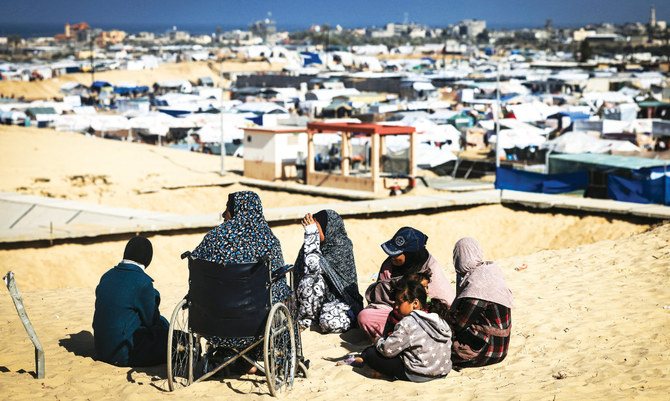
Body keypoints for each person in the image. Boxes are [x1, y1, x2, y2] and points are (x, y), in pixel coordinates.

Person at [191, 191, 290, 371]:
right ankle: (270, 359)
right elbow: (278, 285)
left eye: (227, 209)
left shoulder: (213, 238)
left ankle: (230, 354)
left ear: (237, 211)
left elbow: (196, 270)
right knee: (285, 297)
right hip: (255, 327)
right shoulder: (268, 240)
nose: (223, 214)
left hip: (213, 326)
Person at [357, 227, 455, 340]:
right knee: (365, 317)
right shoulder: (389, 266)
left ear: (410, 254)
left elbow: (445, 303)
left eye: (397, 253)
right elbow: (381, 301)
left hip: (423, 316)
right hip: (394, 312)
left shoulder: (429, 267)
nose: (393, 256)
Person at [93, 236, 169, 367]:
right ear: (147, 259)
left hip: (100, 350)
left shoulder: (107, 275)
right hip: (122, 353)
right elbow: (151, 320)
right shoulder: (143, 282)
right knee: (177, 337)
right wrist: (154, 295)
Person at [361, 278, 452, 382]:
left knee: (371, 353)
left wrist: (378, 340)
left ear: (415, 303)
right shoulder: (439, 319)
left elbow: (387, 350)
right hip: (442, 372)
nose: (396, 307)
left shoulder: (408, 322)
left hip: (417, 374)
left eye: (399, 303)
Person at [448, 237, 514, 368]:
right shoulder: (489, 271)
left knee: (435, 349)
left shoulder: (477, 285)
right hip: (501, 348)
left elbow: (460, 323)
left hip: (487, 352)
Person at [294, 209, 363, 333]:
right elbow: (308, 272)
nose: (313, 230)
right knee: (311, 279)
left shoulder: (342, 246)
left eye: (316, 227)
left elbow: (313, 264)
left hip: (342, 300)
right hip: (317, 302)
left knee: (330, 323)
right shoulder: (311, 246)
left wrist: (311, 235)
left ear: (329, 229)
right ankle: (308, 319)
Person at [381, 270, 431, 337]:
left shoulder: (430, 312)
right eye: (422, 287)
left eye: (426, 287)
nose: (427, 291)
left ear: (415, 303)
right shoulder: (395, 315)